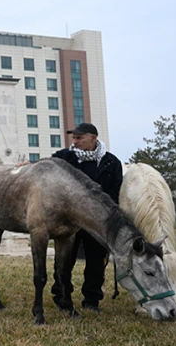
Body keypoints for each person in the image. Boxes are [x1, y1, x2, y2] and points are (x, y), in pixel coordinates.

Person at [50, 122, 123, 313]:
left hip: (96, 223)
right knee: (64, 260)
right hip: (69, 221)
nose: (75, 141)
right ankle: (61, 296)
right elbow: (45, 167)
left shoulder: (111, 162)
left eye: (79, 137)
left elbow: (114, 194)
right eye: (74, 138)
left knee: (96, 263)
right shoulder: (64, 157)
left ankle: (91, 300)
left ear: (93, 138)